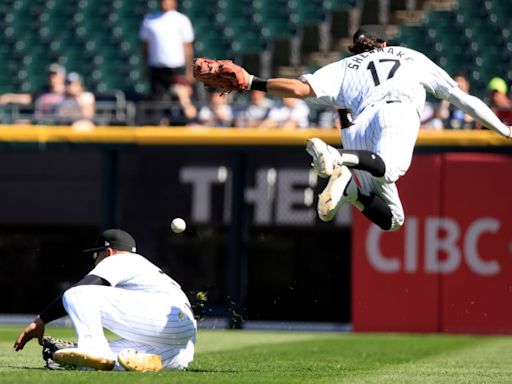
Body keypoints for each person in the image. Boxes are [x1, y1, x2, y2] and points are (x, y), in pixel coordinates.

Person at [211, 24, 512, 231]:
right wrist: (504, 129)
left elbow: (298, 89)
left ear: (355, 48)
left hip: (358, 130)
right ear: (384, 44)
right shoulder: (409, 56)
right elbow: (462, 98)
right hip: (396, 111)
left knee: (393, 220)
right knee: (391, 169)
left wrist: (253, 82)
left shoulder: (343, 67)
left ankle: (352, 190)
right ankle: (338, 157)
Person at [13, 229, 197, 372]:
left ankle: (92, 348)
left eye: (96, 254)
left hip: (162, 317)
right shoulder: (147, 268)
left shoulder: (120, 260)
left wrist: (41, 320)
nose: (95, 260)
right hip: (181, 342)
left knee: (76, 293)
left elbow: (82, 289)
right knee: (102, 361)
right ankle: (147, 361)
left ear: (108, 252)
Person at [139, 0, 195, 102]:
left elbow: (187, 47)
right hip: (156, 68)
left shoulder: (182, 20)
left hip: (176, 68)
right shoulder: (149, 20)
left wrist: (189, 71)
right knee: (157, 101)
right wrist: (144, 66)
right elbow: (145, 46)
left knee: (178, 100)